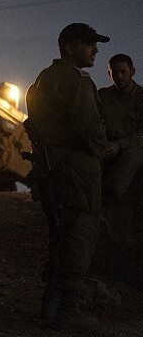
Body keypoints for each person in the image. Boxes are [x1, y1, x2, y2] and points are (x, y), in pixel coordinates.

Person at [24, 23, 117, 330]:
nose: (95, 49)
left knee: (60, 235)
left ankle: (50, 306)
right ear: (69, 47)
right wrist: (103, 146)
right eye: (89, 44)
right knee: (79, 234)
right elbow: (90, 128)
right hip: (77, 170)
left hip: (52, 168)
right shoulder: (75, 81)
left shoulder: (43, 79)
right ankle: (68, 309)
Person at [98, 54, 143, 202]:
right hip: (107, 145)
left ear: (132, 71)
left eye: (123, 71)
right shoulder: (102, 96)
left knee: (132, 156)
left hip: (133, 147)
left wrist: (119, 145)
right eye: (114, 72)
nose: (119, 76)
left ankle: (110, 195)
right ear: (109, 74)